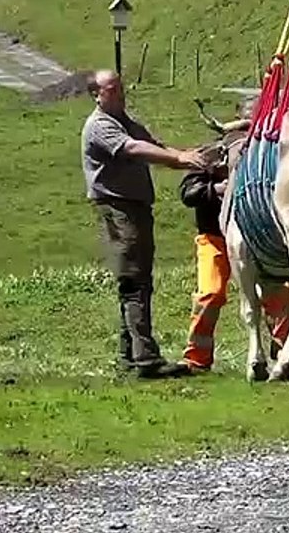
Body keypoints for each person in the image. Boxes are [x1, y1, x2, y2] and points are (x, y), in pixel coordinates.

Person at [81, 69, 205, 379]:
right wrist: (179, 159)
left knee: (137, 280)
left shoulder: (125, 121)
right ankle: (146, 358)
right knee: (134, 282)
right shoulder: (100, 126)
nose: (120, 93)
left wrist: (187, 155)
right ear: (96, 95)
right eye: (112, 89)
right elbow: (133, 148)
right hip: (118, 209)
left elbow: (152, 143)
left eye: (120, 87)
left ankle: (131, 354)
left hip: (134, 208)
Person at [175, 113, 289, 373]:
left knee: (279, 296)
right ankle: (197, 358)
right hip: (214, 237)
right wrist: (220, 189)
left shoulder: (270, 156)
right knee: (210, 293)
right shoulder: (210, 153)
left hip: (256, 237)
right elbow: (188, 192)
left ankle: (286, 354)